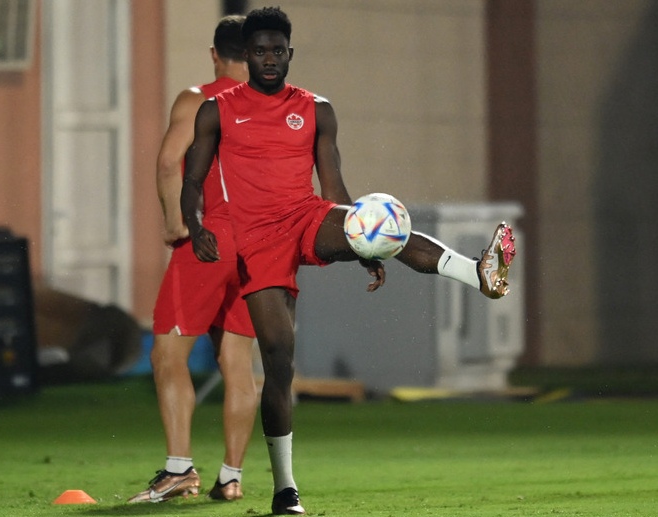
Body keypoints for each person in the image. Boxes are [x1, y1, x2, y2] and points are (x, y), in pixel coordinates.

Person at [181, 7, 517, 515]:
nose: (269, 60)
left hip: (306, 216)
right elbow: (191, 181)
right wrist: (197, 225)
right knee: (278, 360)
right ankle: (285, 488)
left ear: (290, 53)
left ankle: (480, 273)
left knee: (387, 224)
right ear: (246, 55)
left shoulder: (316, 109)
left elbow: (335, 189)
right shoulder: (217, 111)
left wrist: (365, 246)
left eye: (278, 51)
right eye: (259, 51)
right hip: (257, 242)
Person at [128, 15, 257, 504]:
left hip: (210, 238)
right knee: (238, 365)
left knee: (166, 354)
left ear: (214, 53)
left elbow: (167, 162)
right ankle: (231, 477)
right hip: (259, 246)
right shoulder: (274, 105)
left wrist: (175, 222)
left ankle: (179, 469)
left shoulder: (198, 98)